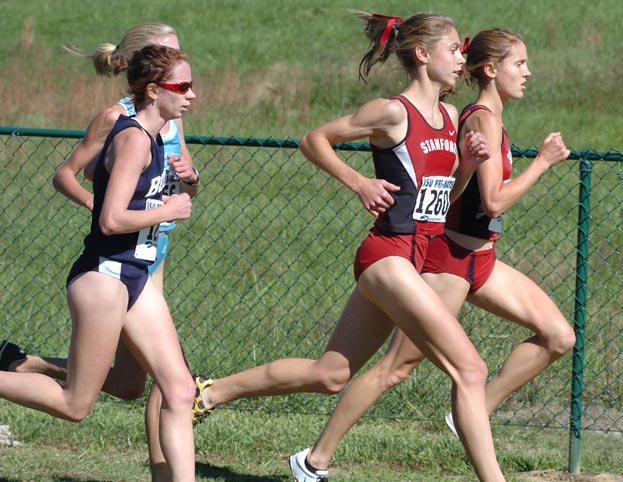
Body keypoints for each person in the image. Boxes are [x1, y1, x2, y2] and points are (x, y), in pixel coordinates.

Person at [188, 11, 504, 481]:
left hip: (418, 256)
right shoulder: (393, 112)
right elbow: (314, 140)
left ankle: (209, 392)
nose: (462, 58)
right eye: (454, 48)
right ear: (422, 54)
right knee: (471, 370)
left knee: (330, 374)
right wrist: (358, 182)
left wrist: (464, 167)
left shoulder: (451, 116)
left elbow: (440, 203)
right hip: (387, 255)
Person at [288, 28, 576, 481]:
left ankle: (469, 412)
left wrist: (462, 165)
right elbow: (494, 201)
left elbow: (446, 192)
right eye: (520, 63)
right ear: (491, 69)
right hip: (448, 261)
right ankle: (316, 459)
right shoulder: (479, 117)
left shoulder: (463, 114)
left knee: (558, 337)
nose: (528, 72)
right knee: (394, 369)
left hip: (481, 257)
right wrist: (541, 162)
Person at [0, 22, 203, 482]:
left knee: (177, 388)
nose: (191, 95)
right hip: (107, 275)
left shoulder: (161, 128)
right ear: (152, 86)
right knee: (76, 406)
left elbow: (157, 192)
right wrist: (165, 208)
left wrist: (186, 183)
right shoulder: (128, 133)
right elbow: (110, 220)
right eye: (182, 85)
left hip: (140, 268)